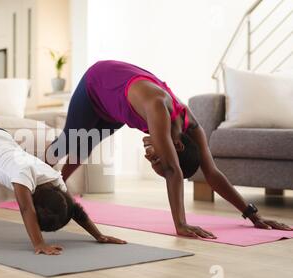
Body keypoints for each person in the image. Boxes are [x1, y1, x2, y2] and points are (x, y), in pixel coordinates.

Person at [46, 60, 292, 239]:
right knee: (70, 142)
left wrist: (253, 215)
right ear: (177, 145)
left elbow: (213, 174)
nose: (149, 157)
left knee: (85, 146)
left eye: (154, 161)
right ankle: (40, 171)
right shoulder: (157, 108)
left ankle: (56, 185)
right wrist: (181, 224)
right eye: (156, 160)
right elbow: (173, 169)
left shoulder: (192, 129)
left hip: (116, 107)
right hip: (97, 83)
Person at [0, 126, 126, 255]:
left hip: (0, 139)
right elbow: (27, 210)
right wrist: (39, 244)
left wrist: (98, 235)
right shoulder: (22, 176)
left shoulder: (54, 177)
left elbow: (74, 208)